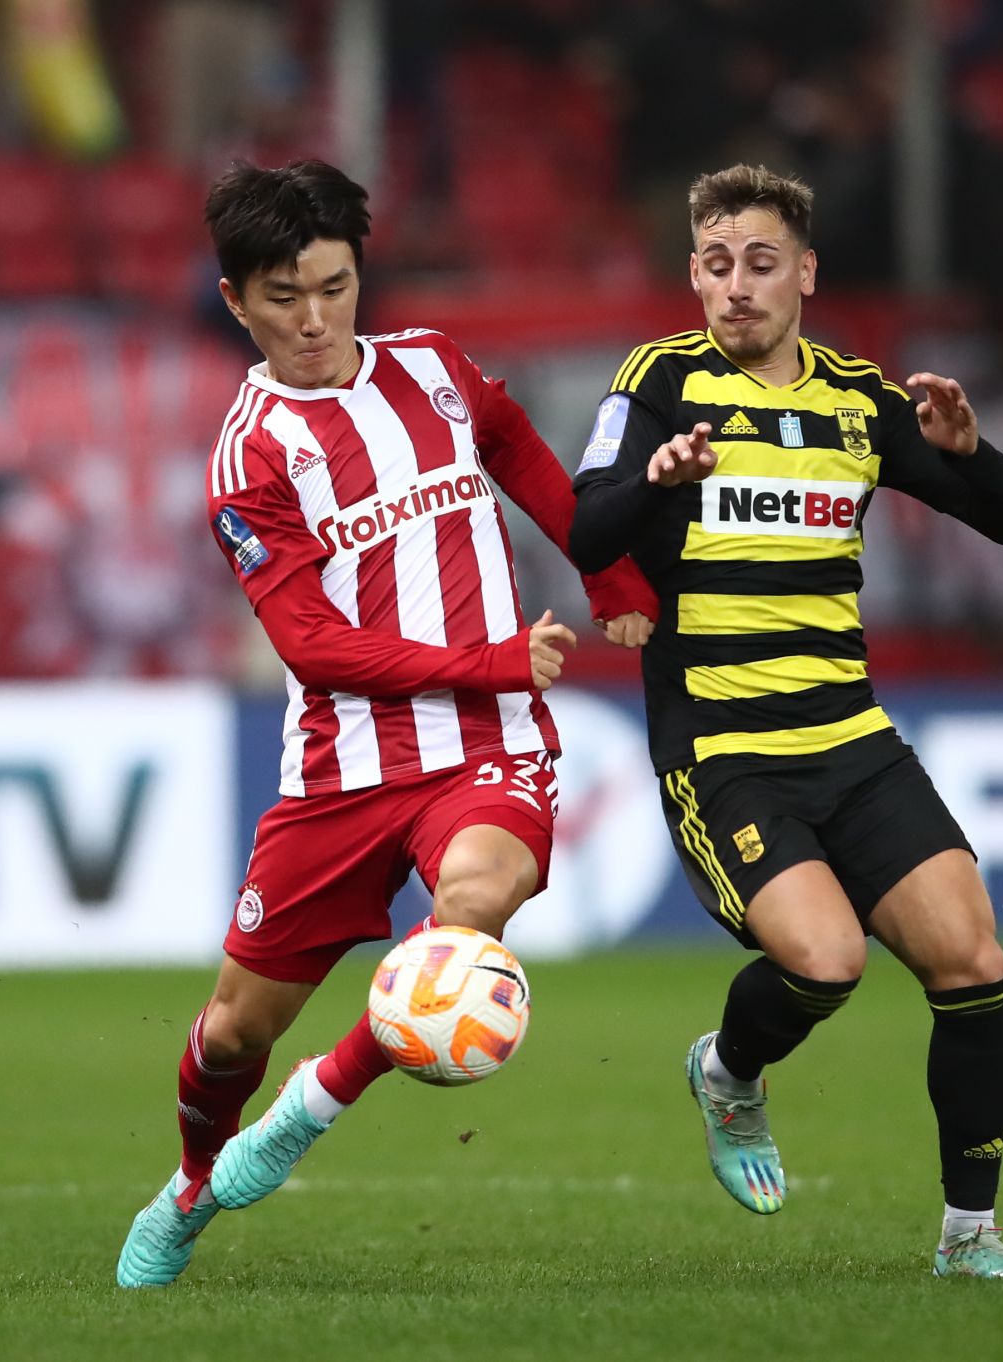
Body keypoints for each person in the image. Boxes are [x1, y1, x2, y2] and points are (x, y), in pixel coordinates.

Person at [116, 159, 656, 1287]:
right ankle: (192, 1182)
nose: (315, 320)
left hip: (489, 746)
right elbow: (312, 644)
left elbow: (517, 450)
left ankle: (312, 1104)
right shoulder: (249, 457)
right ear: (235, 302)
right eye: (284, 298)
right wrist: (489, 657)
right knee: (233, 1031)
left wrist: (607, 574)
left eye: (335, 287)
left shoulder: (434, 369)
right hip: (342, 771)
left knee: (470, 909)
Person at [567, 165, 1003, 1281]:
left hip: (852, 741)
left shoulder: (858, 400)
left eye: (760, 263)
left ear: (806, 274)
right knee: (826, 962)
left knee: (971, 958)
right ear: (694, 276)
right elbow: (588, 532)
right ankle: (728, 1072)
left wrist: (967, 456)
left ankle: (969, 1237)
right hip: (725, 749)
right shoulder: (657, 382)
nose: (736, 285)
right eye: (716, 264)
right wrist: (655, 481)